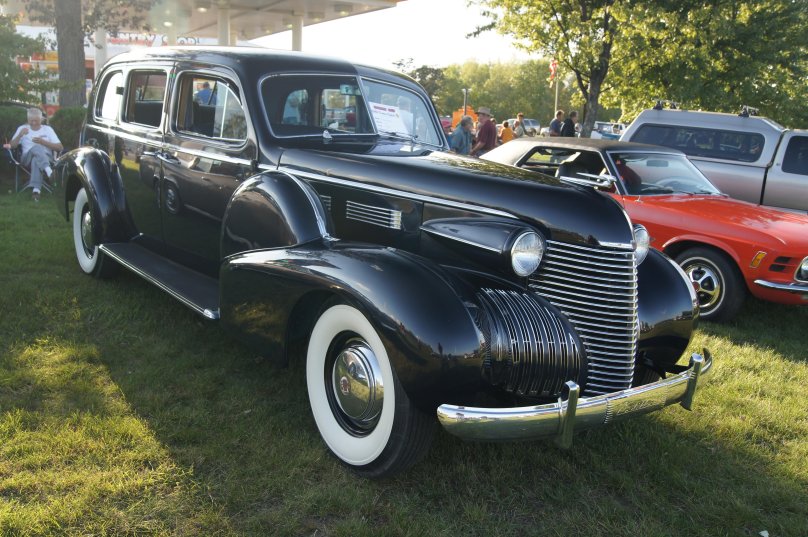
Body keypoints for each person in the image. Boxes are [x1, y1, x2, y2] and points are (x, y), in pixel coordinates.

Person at [5, 108, 63, 201]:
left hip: (47, 158)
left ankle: (36, 191)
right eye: (31, 121)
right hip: (26, 158)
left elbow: (60, 147)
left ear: (41, 120)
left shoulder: (47, 129)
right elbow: (11, 146)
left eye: (36, 121)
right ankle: (49, 173)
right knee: (36, 147)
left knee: (36, 159)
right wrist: (20, 135)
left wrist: (43, 142)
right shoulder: (22, 129)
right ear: (28, 120)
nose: (34, 123)